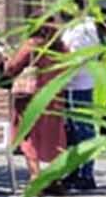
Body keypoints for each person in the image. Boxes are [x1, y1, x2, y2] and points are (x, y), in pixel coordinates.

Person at [4, 22, 68, 183]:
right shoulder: (61, 48)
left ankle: (35, 176)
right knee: (54, 137)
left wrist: (6, 61)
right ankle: (55, 178)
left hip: (32, 97)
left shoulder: (32, 45)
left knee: (29, 136)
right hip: (54, 96)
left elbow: (12, 67)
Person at [57, 5, 105, 192]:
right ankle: (75, 171)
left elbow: (75, 59)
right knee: (73, 131)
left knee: (80, 130)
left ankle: (84, 174)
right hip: (80, 83)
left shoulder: (81, 30)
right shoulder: (80, 27)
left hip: (76, 85)